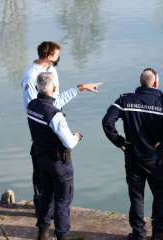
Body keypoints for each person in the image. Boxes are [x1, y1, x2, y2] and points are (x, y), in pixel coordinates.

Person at [102, 68, 163, 240]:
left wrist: (119, 140)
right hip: (156, 159)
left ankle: (139, 233)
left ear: (141, 82)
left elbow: (107, 121)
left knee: (136, 196)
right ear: (156, 83)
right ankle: (159, 232)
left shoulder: (125, 100)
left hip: (133, 156)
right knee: (161, 195)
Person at [20, 41, 101, 212]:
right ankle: (44, 212)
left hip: (55, 125)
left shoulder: (52, 71)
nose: (58, 61)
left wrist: (80, 88)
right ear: (49, 57)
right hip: (44, 130)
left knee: (57, 179)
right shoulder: (30, 77)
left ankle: (51, 214)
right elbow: (33, 110)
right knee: (43, 178)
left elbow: (55, 101)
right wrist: (56, 121)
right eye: (57, 58)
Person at [27, 72, 82, 240]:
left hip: (41, 160)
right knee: (62, 202)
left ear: (37, 88)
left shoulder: (31, 106)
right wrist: (77, 137)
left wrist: (78, 89)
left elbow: (51, 103)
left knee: (45, 197)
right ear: (55, 88)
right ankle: (61, 235)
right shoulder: (55, 115)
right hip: (59, 164)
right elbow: (69, 143)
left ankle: (42, 233)